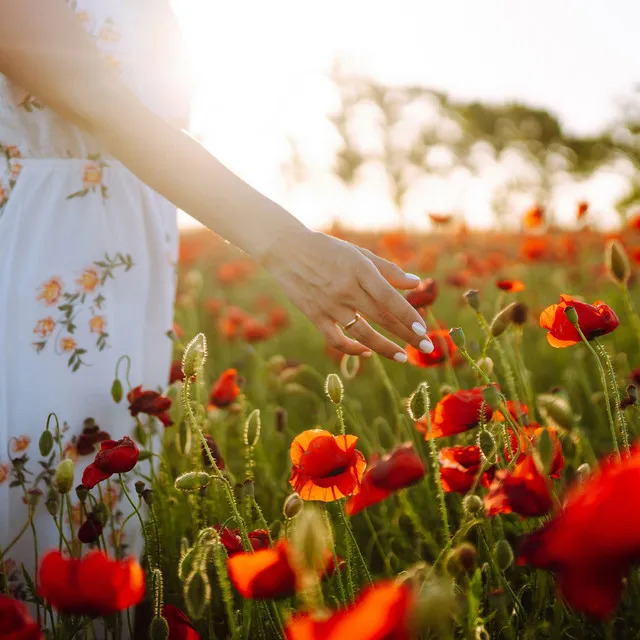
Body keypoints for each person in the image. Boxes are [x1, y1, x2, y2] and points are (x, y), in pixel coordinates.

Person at [0, 0, 434, 622]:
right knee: (28, 503)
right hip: (34, 250)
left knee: (93, 513)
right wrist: (287, 245)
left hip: (121, 266)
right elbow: (89, 92)